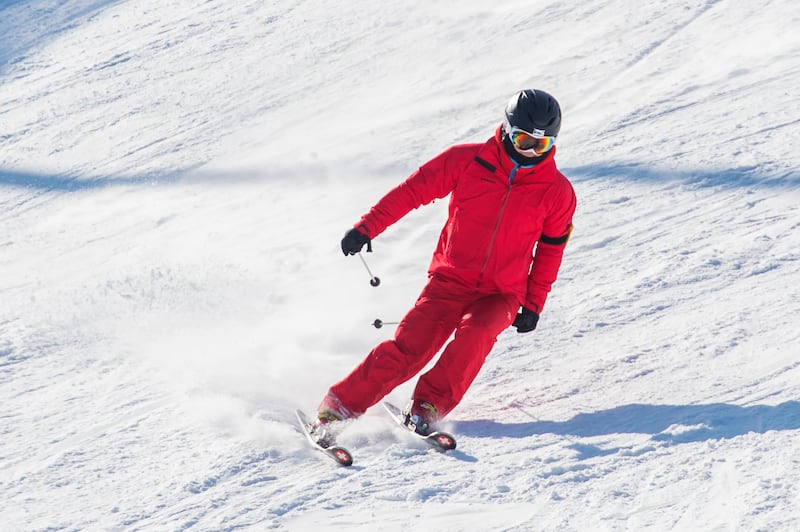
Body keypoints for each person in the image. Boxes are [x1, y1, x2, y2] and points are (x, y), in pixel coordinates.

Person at [315, 89, 576, 440]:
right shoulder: (466, 161)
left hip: (502, 293)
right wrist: (367, 227)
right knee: (411, 346)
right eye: (524, 140)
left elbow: (550, 250)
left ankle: (429, 405)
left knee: (476, 336)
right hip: (450, 280)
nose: (530, 152)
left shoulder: (557, 192)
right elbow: (411, 192)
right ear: (507, 128)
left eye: (540, 146)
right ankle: (340, 406)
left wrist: (533, 303)